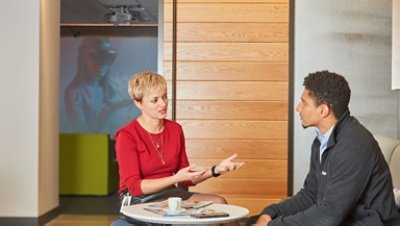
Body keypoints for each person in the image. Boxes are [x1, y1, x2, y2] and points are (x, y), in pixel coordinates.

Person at [252, 71, 400, 225]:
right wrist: (271, 212)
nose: (298, 108)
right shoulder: (322, 140)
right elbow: (311, 195)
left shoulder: (354, 145)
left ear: (323, 110)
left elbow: (328, 215)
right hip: (339, 219)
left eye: (304, 102)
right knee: (253, 221)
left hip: (368, 223)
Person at [114, 71, 245, 225]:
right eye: (154, 100)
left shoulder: (175, 129)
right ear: (139, 103)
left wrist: (216, 170)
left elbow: (186, 179)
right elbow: (135, 187)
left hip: (170, 195)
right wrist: (175, 178)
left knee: (219, 203)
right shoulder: (127, 135)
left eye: (164, 96)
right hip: (138, 199)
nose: (163, 104)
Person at [64, 38, 131, 133]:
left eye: (107, 58)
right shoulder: (75, 93)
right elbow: (83, 133)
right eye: (97, 57)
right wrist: (108, 110)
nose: (103, 63)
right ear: (84, 58)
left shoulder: (112, 88)